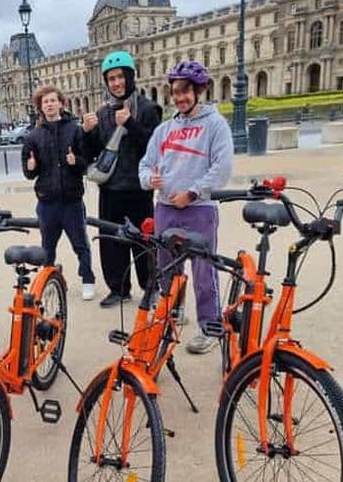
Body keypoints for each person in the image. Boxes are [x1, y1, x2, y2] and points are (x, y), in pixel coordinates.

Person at [138, 61, 233, 354]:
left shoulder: (215, 124)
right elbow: (144, 164)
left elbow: (222, 167)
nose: (180, 98)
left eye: (186, 92)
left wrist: (192, 193)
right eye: (176, 92)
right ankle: (173, 314)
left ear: (198, 91)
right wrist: (148, 179)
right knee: (167, 267)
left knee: (205, 270)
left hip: (199, 209)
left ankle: (210, 326)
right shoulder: (164, 129)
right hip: (165, 208)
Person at [82, 50, 161, 307]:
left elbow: (154, 147)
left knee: (143, 241)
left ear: (130, 76)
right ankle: (118, 289)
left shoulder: (149, 109)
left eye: (120, 77)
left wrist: (130, 124)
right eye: (111, 79)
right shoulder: (103, 113)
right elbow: (92, 152)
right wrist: (86, 132)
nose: (116, 83)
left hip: (139, 189)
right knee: (112, 242)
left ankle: (150, 287)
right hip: (111, 189)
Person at [22, 85, 96, 301]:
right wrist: (31, 166)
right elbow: (28, 173)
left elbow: (86, 163)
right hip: (47, 202)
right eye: (45, 102)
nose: (50, 104)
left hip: (72, 200)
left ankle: (87, 279)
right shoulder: (33, 136)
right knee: (47, 247)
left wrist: (76, 162)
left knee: (80, 244)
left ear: (61, 104)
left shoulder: (75, 130)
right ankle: (47, 278)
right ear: (40, 107)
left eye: (53, 100)